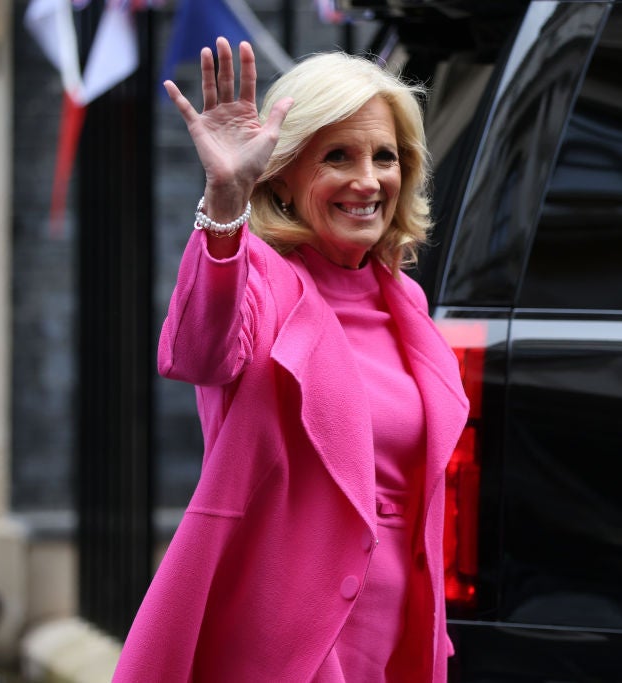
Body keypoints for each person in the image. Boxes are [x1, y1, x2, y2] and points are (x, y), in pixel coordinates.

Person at [112, 37, 469, 682]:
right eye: (338, 156)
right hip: (286, 646)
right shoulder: (259, 282)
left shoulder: (406, 300)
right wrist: (225, 205)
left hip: (398, 638)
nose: (367, 180)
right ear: (283, 173)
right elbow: (198, 348)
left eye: (384, 156)